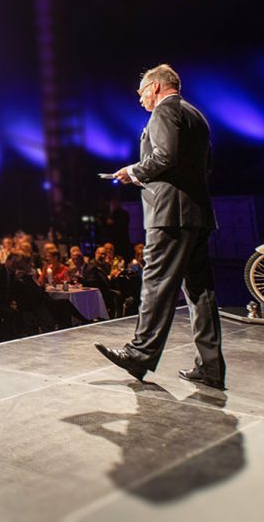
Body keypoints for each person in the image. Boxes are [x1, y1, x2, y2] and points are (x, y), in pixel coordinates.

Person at [97, 64, 225, 389]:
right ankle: (211, 366)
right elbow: (204, 165)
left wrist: (134, 172)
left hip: (170, 216)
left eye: (141, 92)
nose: (140, 99)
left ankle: (139, 353)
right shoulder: (197, 115)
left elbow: (165, 156)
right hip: (197, 214)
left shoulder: (164, 112)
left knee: (156, 282)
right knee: (200, 292)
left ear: (155, 87)